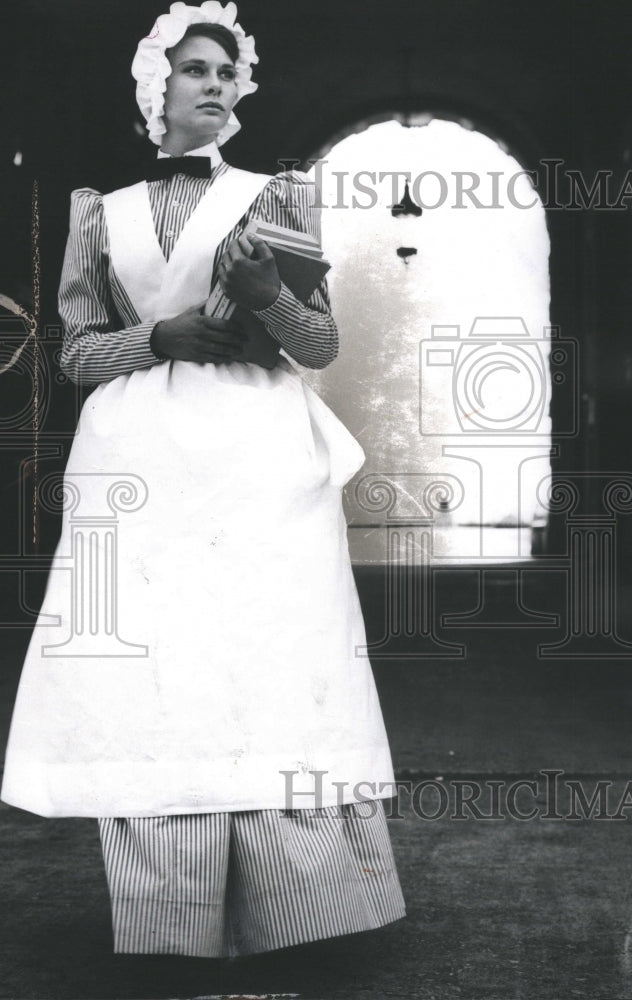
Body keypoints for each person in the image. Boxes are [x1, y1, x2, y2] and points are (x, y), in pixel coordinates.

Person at [1, 0, 405, 959]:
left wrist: (267, 295)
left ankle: (303, 914)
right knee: (157, 668)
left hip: (258, 464)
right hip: (143, 461)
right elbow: (75, 353)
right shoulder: (102, 212)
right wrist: (159, 337)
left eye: (226, 71)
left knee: (265, 665)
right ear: (158, 89)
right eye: (194, 70)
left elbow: (320, 344)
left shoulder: (278, 198)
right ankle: (171, 919)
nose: (215, 85)